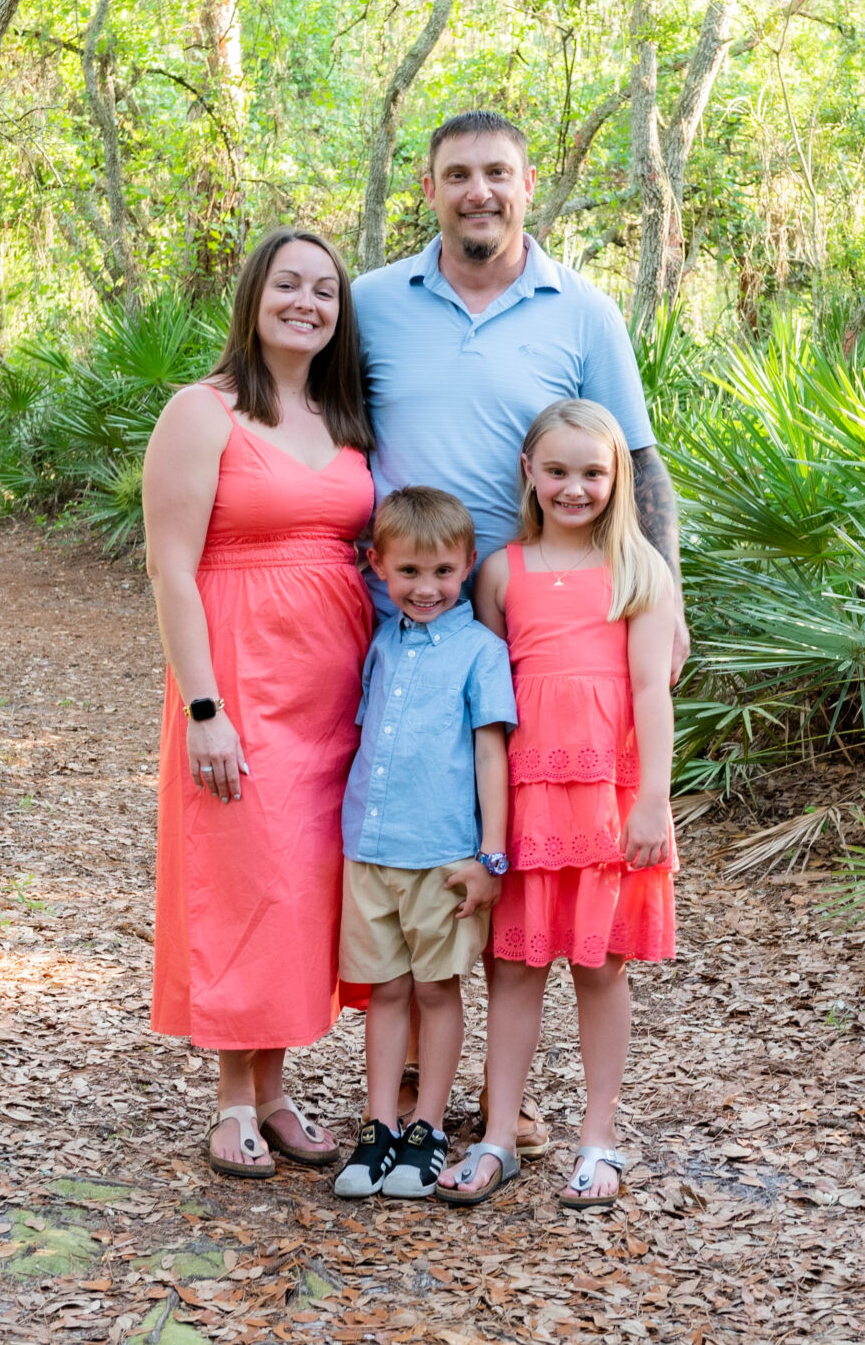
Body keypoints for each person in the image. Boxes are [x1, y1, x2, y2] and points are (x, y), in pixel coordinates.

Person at [353, 108, 689, 1156]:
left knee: (514, 874)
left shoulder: (580, 311)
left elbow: (639, 461)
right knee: (417, 849)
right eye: (458, 174)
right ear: (429, 186)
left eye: (496, 172)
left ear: (527, 182)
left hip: (542, 643)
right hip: (397, 629)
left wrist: (667, 597)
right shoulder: (370, 304)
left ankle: (505, 1104)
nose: (478, 191)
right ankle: (415, 1093)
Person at [143, 228, 374, 1180]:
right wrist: (205, 706)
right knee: (242, 871)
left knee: (301, 887)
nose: (307, 303)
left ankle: (276, 1092)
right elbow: (169, 565)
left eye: (324, 290)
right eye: (289, 284)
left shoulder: (344, 415)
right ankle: (233, 1101)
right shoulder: (204, 412)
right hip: (238, 671)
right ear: (255, 294)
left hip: (337, 686)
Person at [438, 400, 677, 1210]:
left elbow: (651, 688)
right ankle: (498, 1133)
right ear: (530, 475)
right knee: (513, 966)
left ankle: (599, 1139)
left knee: (600, 967)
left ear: (618, 481)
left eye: (594, 473)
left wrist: (652, 801)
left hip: (609, 796)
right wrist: (483, 815)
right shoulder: (503, 571)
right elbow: (487, 695)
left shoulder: (641, 571)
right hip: (526, 796)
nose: (575, 488)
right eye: (559, 471)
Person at [330, 487, 516, 1202]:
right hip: (371, 847)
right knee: (385, 988)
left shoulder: (480, 650)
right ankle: (379, 1125)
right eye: (408, 571)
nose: (427, 587)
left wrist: (490, 854)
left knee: (437, 989)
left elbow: (491, 753)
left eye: (442, 570)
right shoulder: (381, 642)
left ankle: (428, 1126)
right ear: (378, 566)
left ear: (468, 564)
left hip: (444, 856)